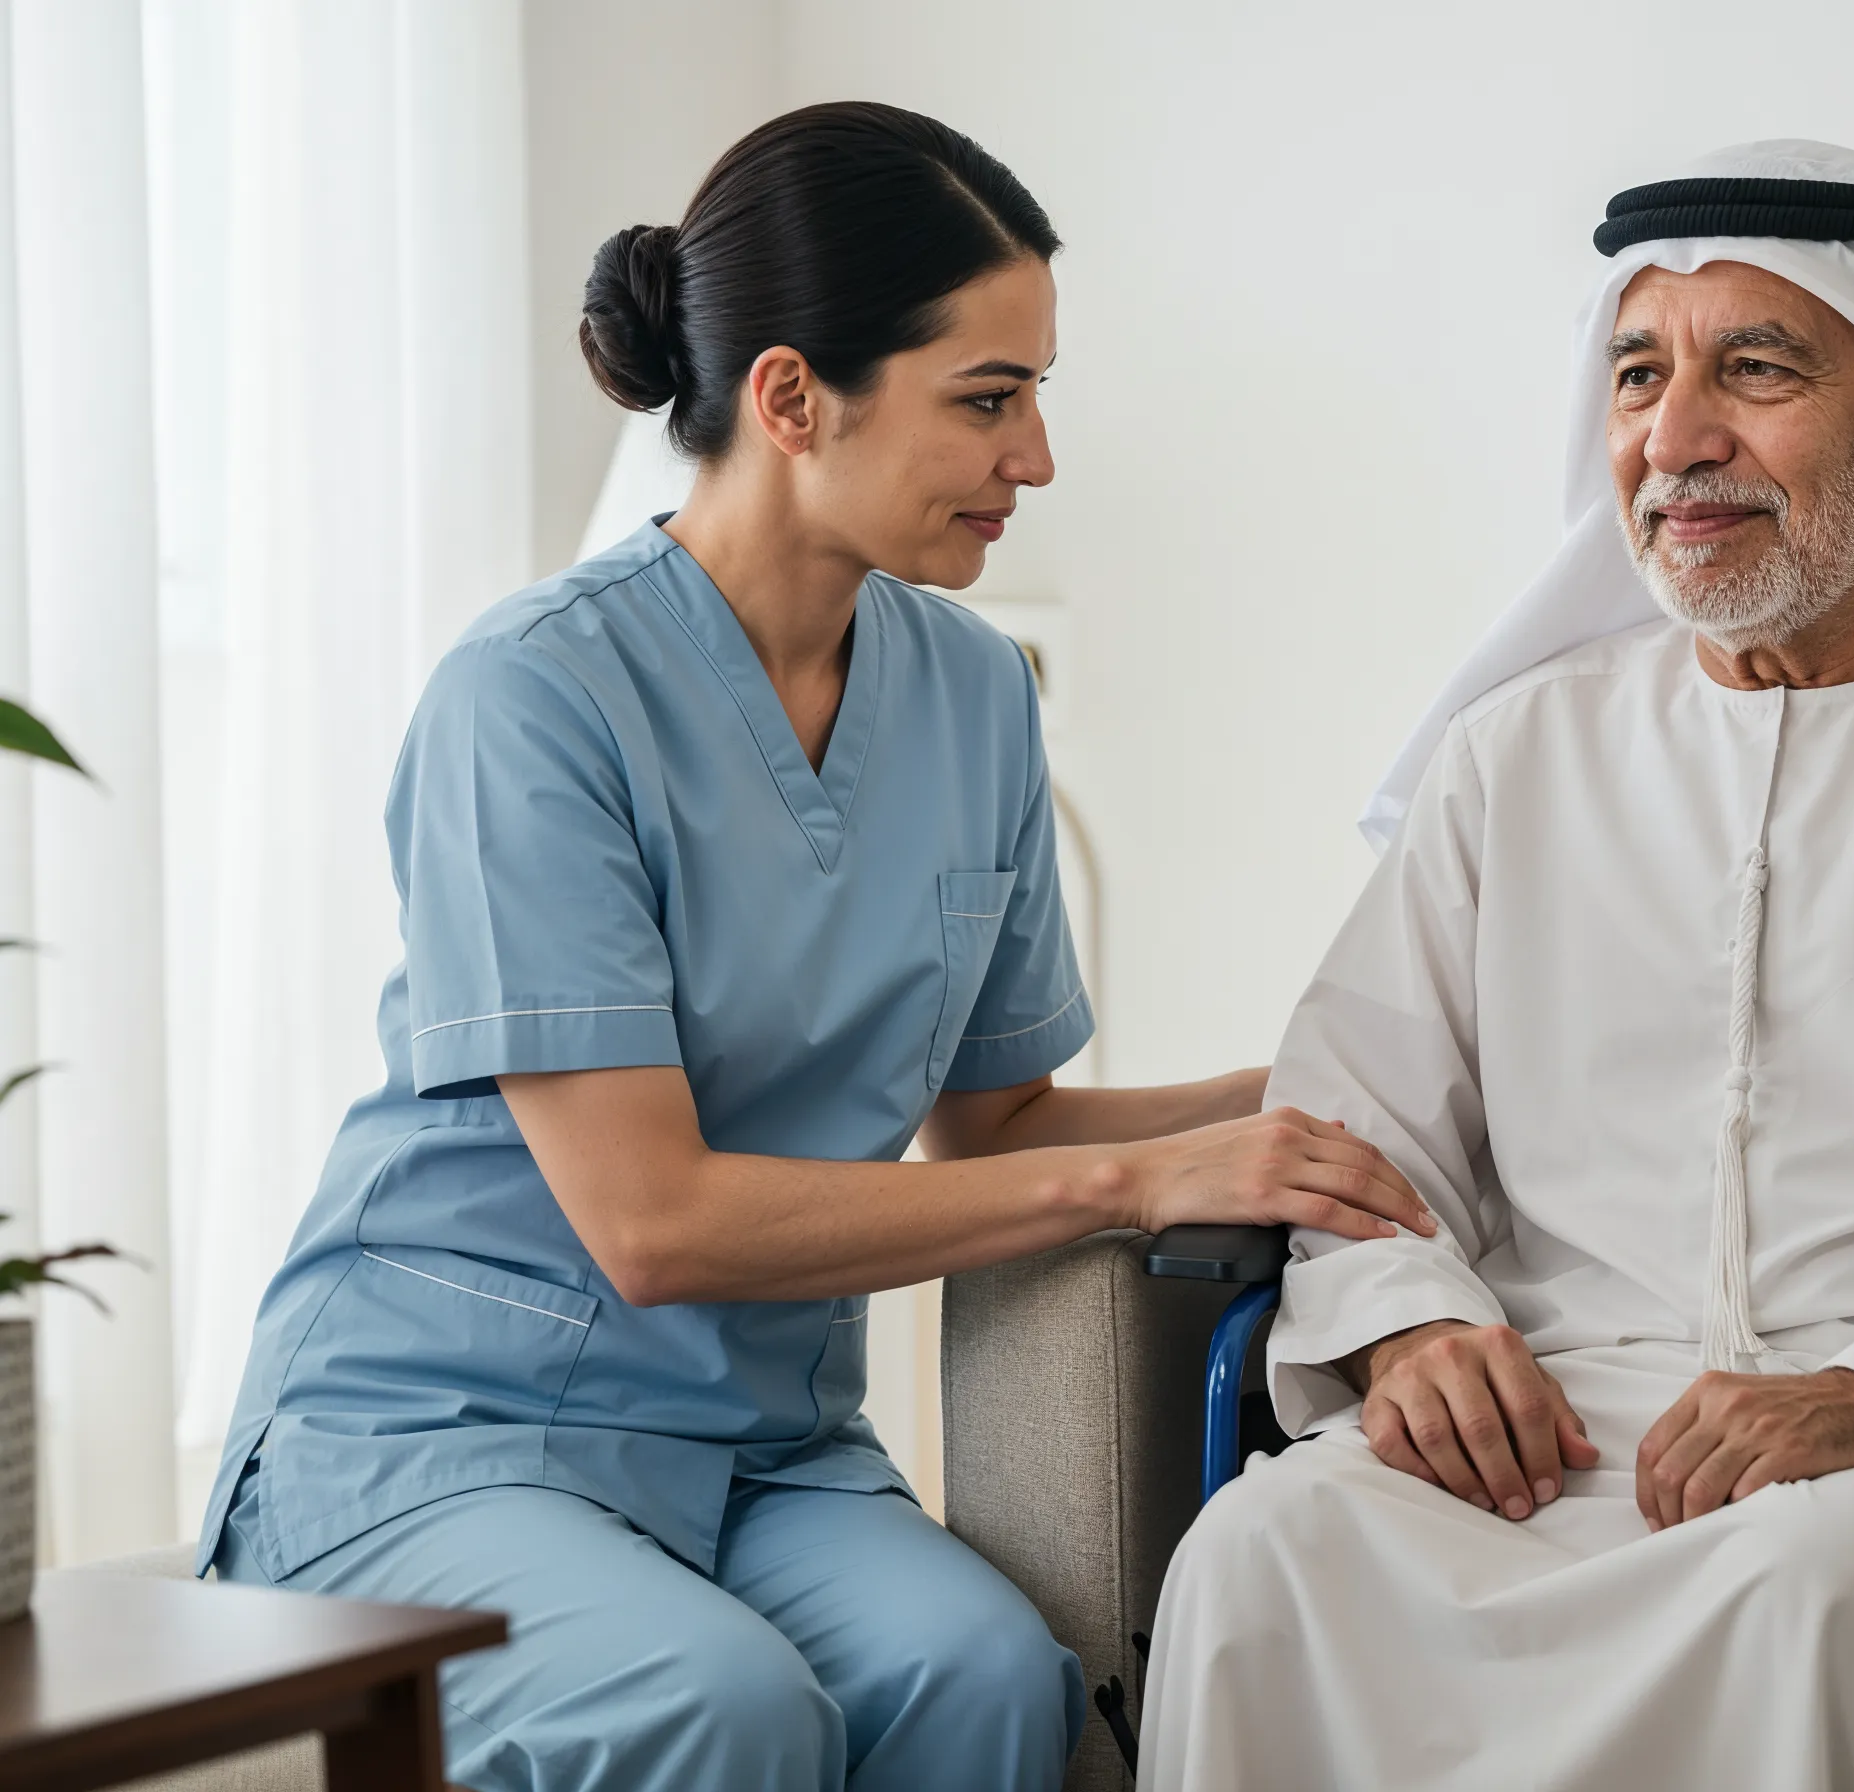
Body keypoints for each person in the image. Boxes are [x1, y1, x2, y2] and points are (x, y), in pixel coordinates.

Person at [195, 102, 1431, 1792]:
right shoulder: (533, 700)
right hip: (447, 1433)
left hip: (762, 1447)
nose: (1037, 460)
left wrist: (1321, 1090)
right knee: (715, 1706)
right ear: (790, 398)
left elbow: (993, 1126)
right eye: (988, 402)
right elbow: (653, 1220)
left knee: (995, 1676)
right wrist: (1142, 1184)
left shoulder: (977, 696)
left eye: (1037, 400)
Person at [1137, 140, 1854, 1790]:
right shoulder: (1518, 754)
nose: (1674, 439)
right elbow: (1361, 1131)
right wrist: (1410, 1329)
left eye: (1754, 371)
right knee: (1260, 1558)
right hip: (1554, 1429)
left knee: (1800, 1591)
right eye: (1639, 375)